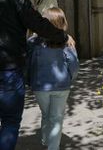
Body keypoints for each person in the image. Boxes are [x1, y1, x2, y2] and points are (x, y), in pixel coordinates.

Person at [0, 0, 73, 150]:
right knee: (9, 121)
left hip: (12, 70)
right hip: (9, 71)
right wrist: (62, 36)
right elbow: (39, 24)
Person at [27, 8, 79, 150]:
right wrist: (71, 79)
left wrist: (29, 80)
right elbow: (74, 65)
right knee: (56, 118)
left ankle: (45, 139)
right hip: (62, 86)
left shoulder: (33, 42)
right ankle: (52, 146)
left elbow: (28, 63)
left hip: (40, 87)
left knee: (46, 113)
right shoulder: (67, 42)